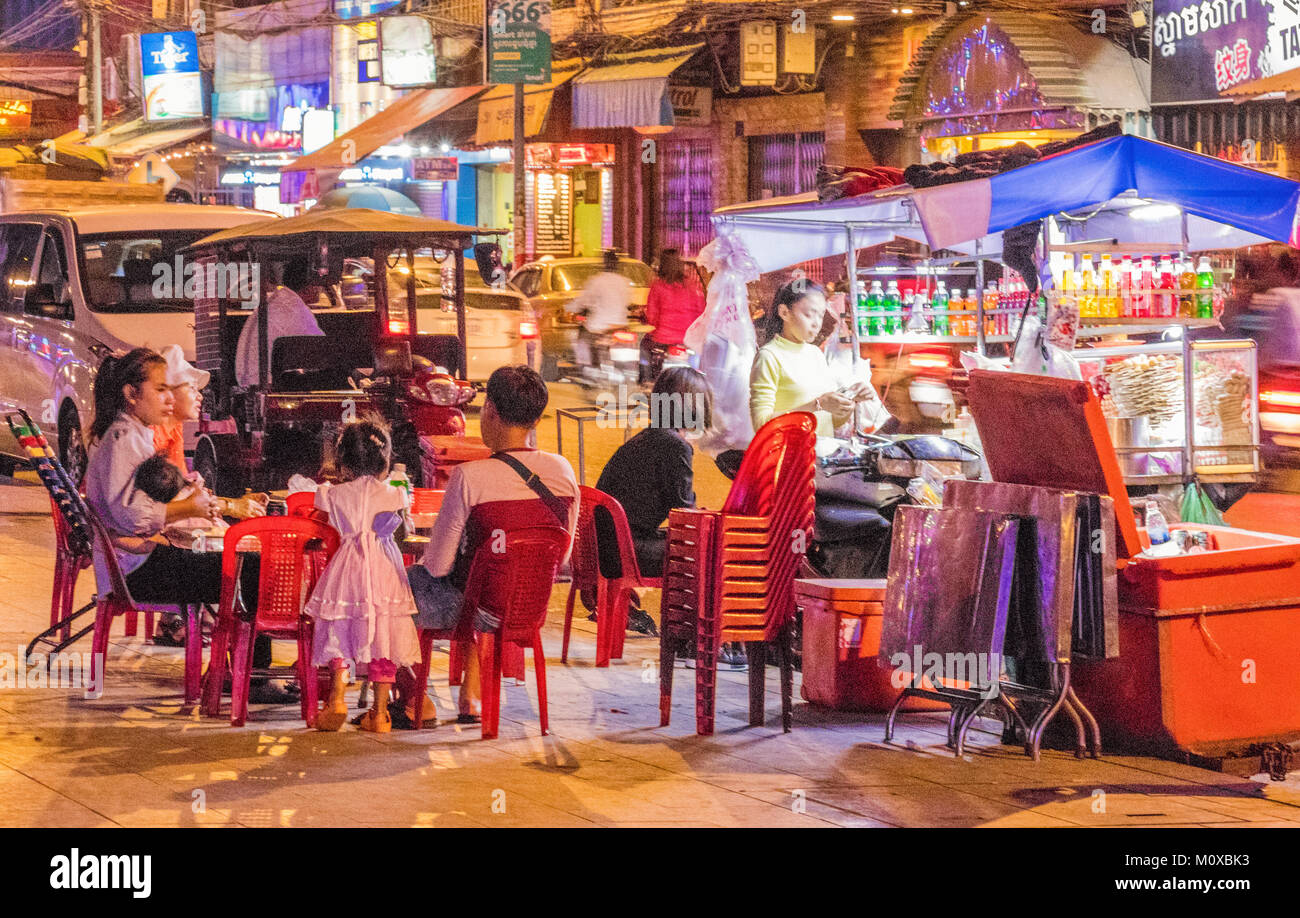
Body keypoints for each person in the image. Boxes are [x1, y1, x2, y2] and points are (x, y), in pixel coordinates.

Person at [83, 348, 296, 704]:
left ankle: (234, 670)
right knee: (252, 568)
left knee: (239, 564)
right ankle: (251, 678)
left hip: (136, 563)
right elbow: (133, 516)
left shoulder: (131, 434)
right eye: (161, 389)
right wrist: (189, 508)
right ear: (131, 393)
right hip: (137, 573)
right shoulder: (125, 440)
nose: (170, 398)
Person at [407, 366, 578, 723]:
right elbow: (562, 555)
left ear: (491, 411)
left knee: (397, 584)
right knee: (477, 573)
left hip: (475, 610)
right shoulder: (563, 471)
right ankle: (472, 692)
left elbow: (437, 566)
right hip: (529, 609)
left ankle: (412, 697)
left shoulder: (471, 476)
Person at [307, 420, 421, 733]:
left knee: (339, 629)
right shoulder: (395, 493)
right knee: (384, 636)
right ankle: (381, 712)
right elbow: (405, 526)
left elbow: (319, 524)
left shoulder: (332, 494)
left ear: (342, 462)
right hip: (384, 569)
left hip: (347, 566)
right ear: (384, 460)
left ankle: (337, 699)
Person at [595, 367, 712, 635]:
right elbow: (684, 512)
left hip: (606, 549)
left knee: (692, 547)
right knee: (709, 555)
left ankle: (685, 635)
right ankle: (693, 638)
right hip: (625, 554)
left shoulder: (645, 438)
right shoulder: (674, 446)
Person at [750, 279, 871, 438]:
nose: (816, 324)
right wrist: (817, 404)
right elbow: (761, 425)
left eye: (820, 316)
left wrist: (848, 403)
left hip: (820, 455)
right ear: (784, 312)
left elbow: (831, 422)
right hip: (790, 458)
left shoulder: (816, 354)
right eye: (809, 314)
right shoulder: (769, 356)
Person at [234, 259, 325, 388]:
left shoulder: (280, 300)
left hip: (249, 383)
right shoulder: (294, 308)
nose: (320, 289)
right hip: (268, 385)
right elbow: (322, 353)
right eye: (318, 284)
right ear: (309, 286)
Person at [641, 250, 706, 383]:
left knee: (644, 346)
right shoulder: (693, 286)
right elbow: (701, 312)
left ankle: (647, 383)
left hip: (663, 339)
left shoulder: (658, 285)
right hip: (688, 340)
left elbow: (652, 317)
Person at [566, 250, 630, 369]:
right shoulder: (624, 282)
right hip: (620, 326)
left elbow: (583, 301)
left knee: (583, 336)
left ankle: (586, 366)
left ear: (603, 263)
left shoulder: (597, 281)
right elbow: (627, 302)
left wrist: (568, 308)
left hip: (599, 326)